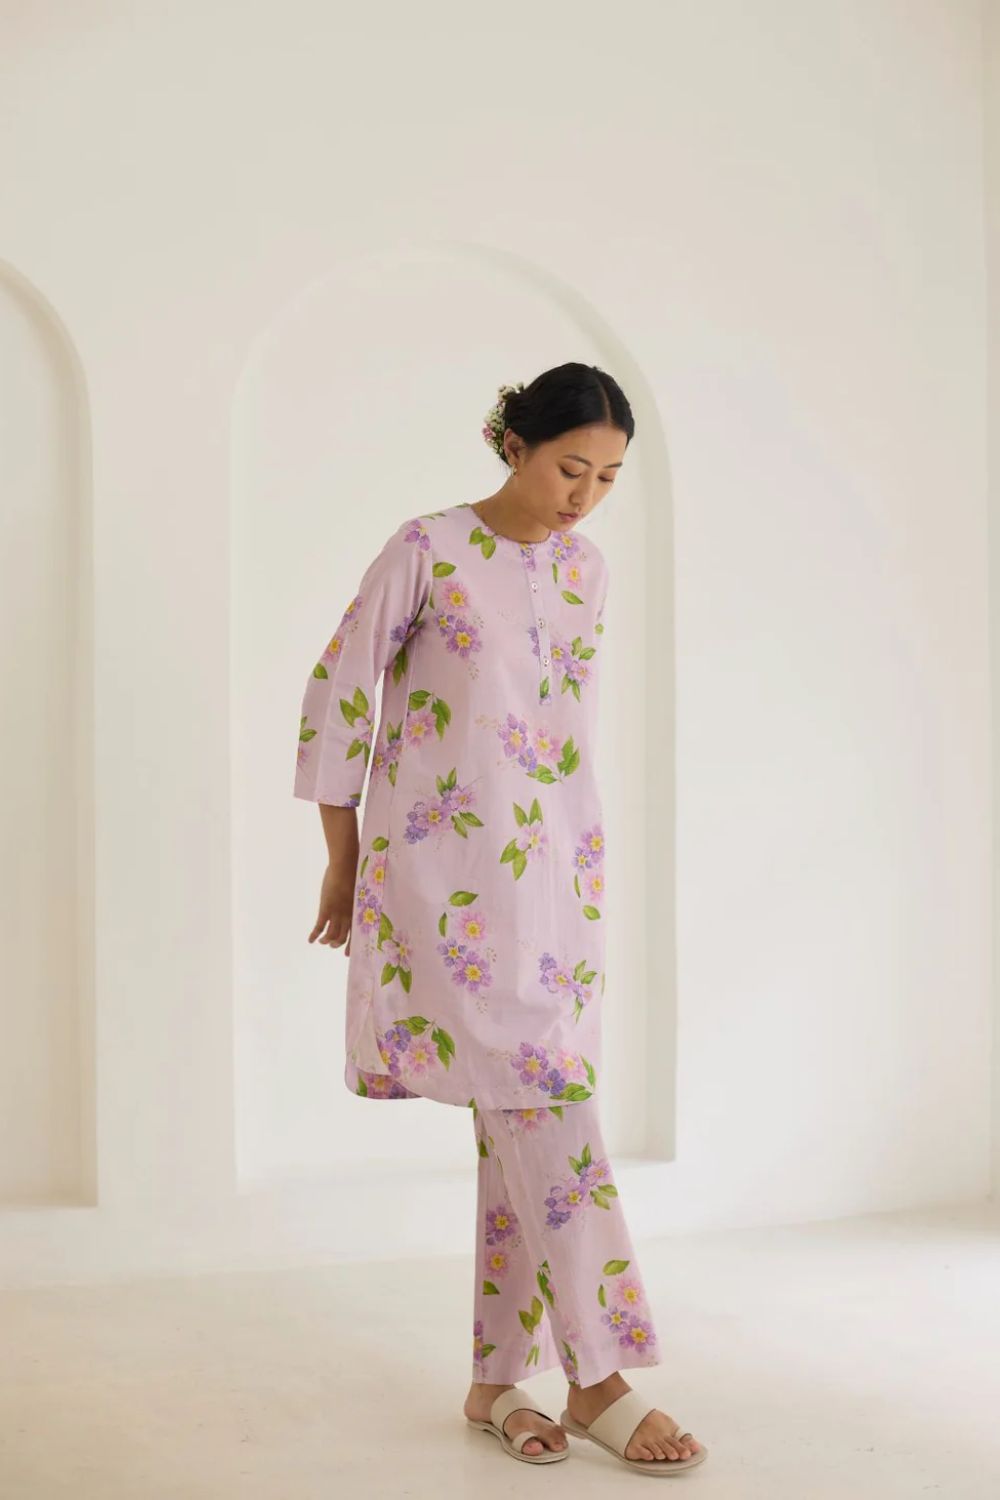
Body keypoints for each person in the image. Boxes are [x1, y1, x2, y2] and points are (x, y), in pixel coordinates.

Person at [293, 363, 707, 1474]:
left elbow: (555, 727)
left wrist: (577, 866)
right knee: (546, 1108)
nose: (585, 496)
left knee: (520, 1114)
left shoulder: (586, 573)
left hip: (560, 876)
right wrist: (342, 860)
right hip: (445, 882)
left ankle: (494, 1381)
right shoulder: (426, 550)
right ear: (512, 444)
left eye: (608, 478)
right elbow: (339, 695)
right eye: (571, 468)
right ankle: (599, 1375)